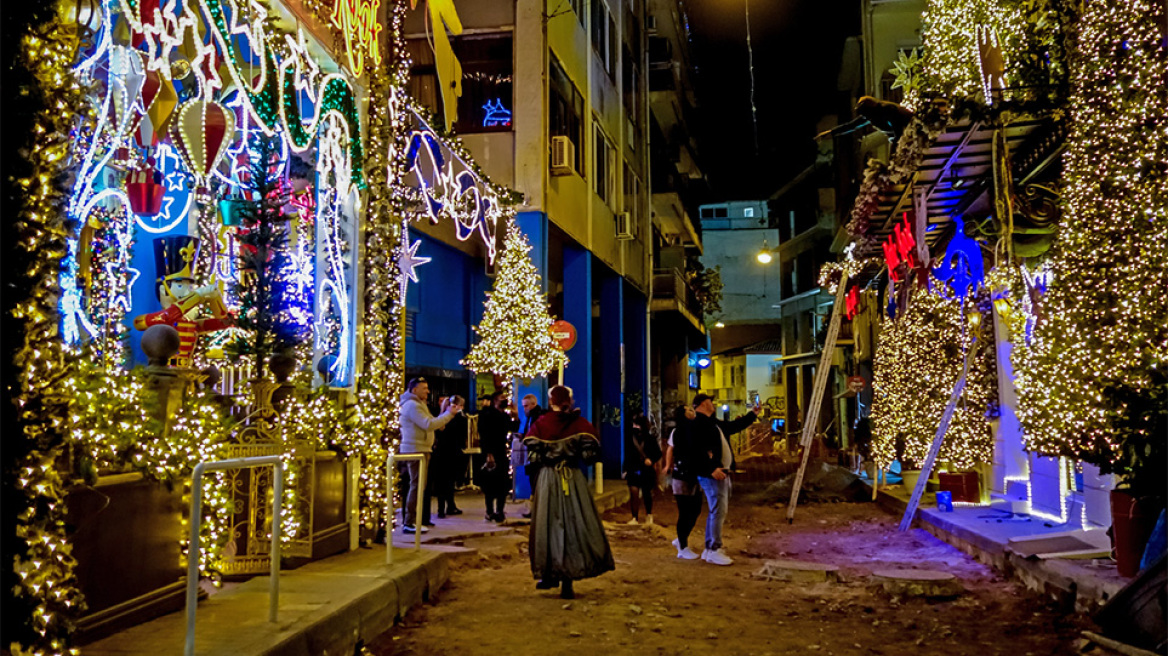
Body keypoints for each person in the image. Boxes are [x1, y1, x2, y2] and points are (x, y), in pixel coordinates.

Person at [524, 385, 614, 599]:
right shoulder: (580, 425)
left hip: (548, 480)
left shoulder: (540, 425)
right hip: (572, 479)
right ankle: (568, 580)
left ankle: (549, 573)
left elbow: (534, 458)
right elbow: (590, 457)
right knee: (575, 524)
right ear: (570, 400)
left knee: (548, 525)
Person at [691, 393, 757, 566]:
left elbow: (732, 427)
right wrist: (710, 469)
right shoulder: (699, 424)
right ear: (704, 404)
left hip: (720, 473)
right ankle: (714, 548)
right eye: (710, 402)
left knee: (716, 511)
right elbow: (695, 450)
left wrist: (753, 415)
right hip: (713, 475)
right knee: (718, 511)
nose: (713, 404)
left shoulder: (712, 423)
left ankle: (709, 548)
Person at [398, 378, 462, 533]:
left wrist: (443, 413)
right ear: (414, 390)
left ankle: (413, 520)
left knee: (419, 486)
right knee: (416, 486)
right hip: (415, 450)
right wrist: (448, 414)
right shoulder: (413, 405)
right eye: (424, 388)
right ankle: (409, 522)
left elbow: (433, 423)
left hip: (421, 448)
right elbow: (428, 424)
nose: (427, 391)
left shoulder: (419, 404)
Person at [662, 404, 702, 559]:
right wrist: (667, 465)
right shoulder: (678, 432)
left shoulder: (696, 429)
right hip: (681, 475)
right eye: (689, 410)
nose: (693, 412)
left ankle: (681, 539)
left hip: (695, 475)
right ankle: (683, 547)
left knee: (696, 509)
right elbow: (670, 449)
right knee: (684, 511)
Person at [478, 392, 520, 522]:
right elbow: (484, 435)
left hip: (502, 451)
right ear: (495, 400)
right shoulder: (486, 415)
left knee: (502, 483)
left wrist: (515, 415)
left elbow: (513, 428)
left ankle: (500, 510)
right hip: (490, 452)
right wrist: (488, 454)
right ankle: (489, 511)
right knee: (490, 483)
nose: (504, 401)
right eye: (502, 399)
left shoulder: (504, 416)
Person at [432, 395, 468, 518]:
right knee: (449, 482)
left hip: (441, 453)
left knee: (442, 482)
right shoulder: (459, 418)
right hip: (453, 453)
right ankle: (450, 506)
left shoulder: (440, 418)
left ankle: (441, 508)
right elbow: (462, 436)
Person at [624, 413, 662, 525]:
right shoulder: (629, 439)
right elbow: (627, 454)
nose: (635, 427)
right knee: (634, 493)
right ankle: (634, 517)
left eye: (637, 425)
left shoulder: (650, 439)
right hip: (633, 469)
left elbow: (658, 453)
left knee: (646, 493)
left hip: (646, 470)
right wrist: (625, 469)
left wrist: (651, 460)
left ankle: (648, 515)